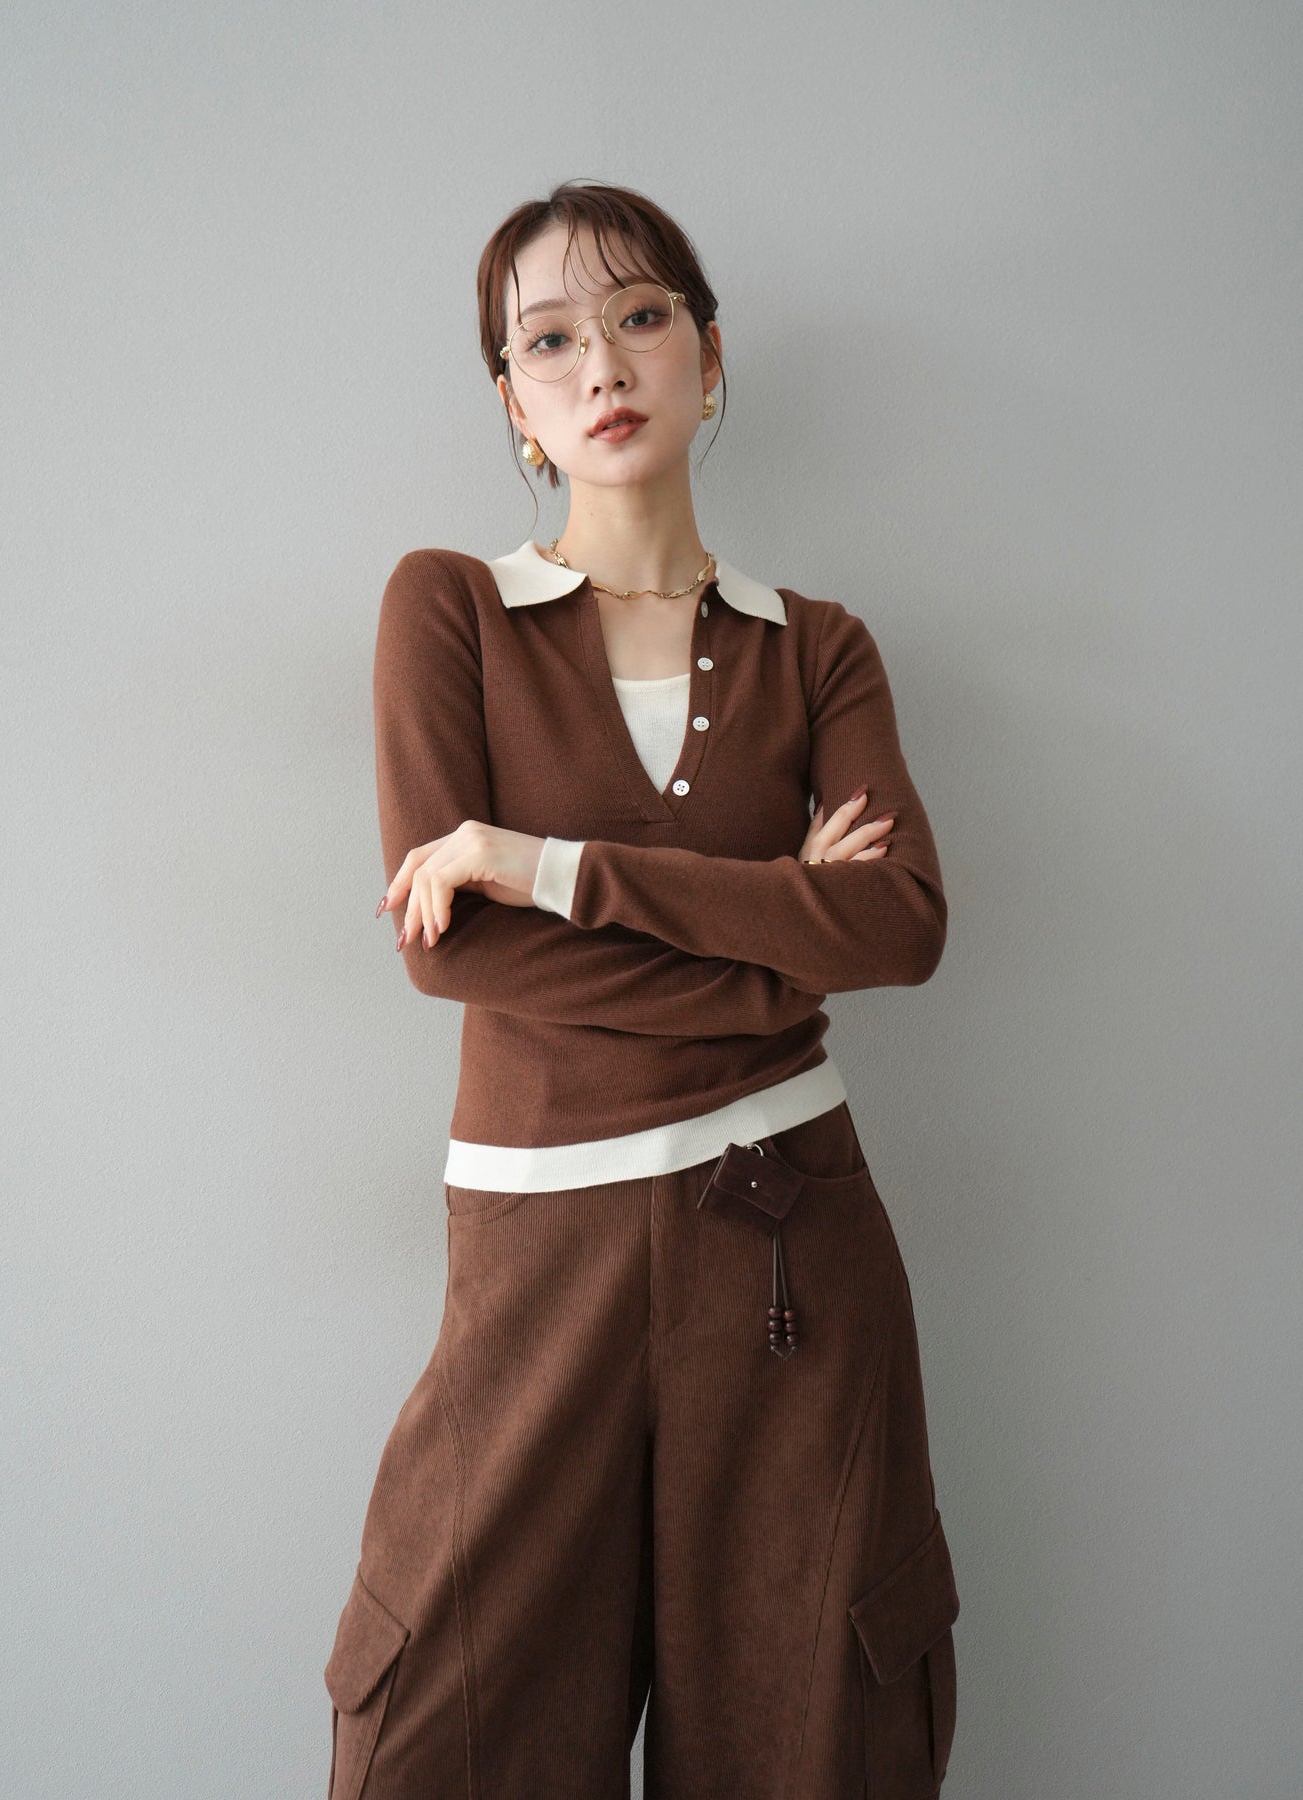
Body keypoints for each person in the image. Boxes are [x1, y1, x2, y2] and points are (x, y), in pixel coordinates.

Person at [323, 179, 961, 1800]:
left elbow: (897, 928)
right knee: (450, 1732)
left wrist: (545, 865)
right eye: (548, 339)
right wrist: (779, 937)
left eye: (640, 316)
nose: (600, 363)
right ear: (512, 402)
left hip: (791, 1246)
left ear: (706, 353)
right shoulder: (449, 608)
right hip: (538, 1248)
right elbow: (452, 950)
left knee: (804, 1731)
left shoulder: (814, 647)